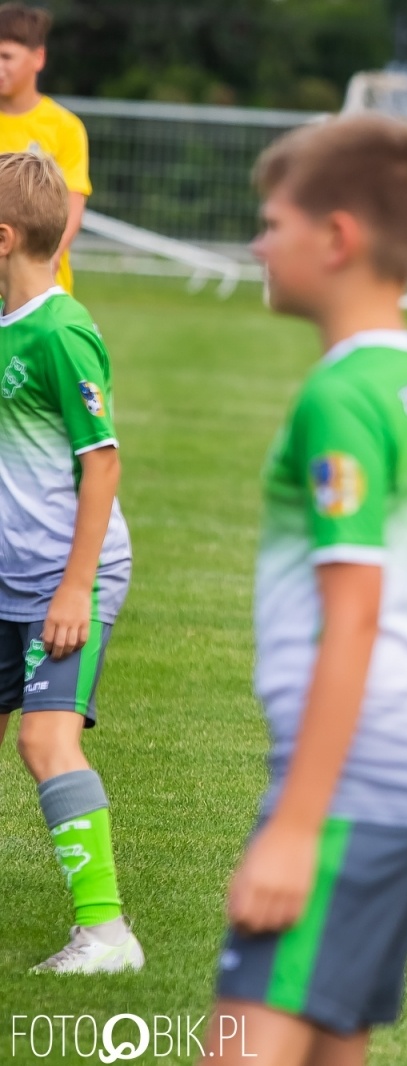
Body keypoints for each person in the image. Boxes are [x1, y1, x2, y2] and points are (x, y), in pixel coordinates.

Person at [206, 114, 407, 1065]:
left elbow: (352, 616)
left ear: (338, 238)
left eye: (273, 222)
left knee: (246, 1039)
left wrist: (296, 828)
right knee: (331, 1039)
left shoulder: (340, 396)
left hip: (358, 778)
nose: (258, 242)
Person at [0, 151, 138, 973]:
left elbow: (103, 461)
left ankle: (107, 935)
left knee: (47, 742)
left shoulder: (61, 329)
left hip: (64, 580)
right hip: (6, 577)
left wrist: (75, 587)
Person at [0, 3, 89, 294]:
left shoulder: (65, 127)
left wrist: (46, 261)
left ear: (38, 58)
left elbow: (71, 206)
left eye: (6, 56)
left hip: (39, 292)